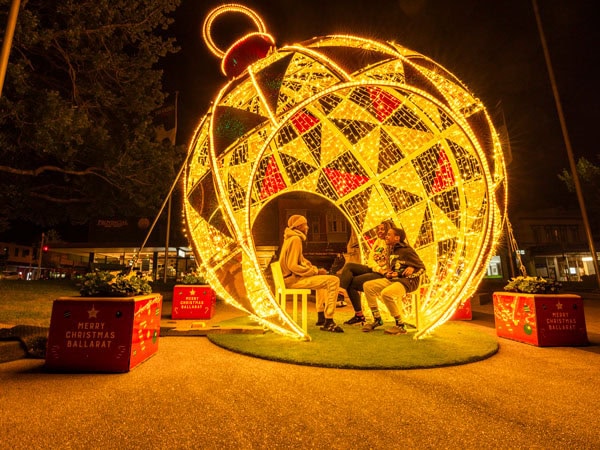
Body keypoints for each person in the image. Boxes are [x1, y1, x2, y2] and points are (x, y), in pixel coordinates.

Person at [279, 214, 343, 333]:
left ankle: (321, 316)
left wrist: (314, 270)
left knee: (322, 278)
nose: (307, 227)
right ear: (298, 226)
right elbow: (293, 266)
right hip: (292, 281)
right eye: (305, 224)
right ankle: (329, 321)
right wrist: (316, 270)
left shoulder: (289, 239)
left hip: (287, 279)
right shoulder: (295, 239)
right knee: (334, 280)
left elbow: (301, 261)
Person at [362, 226, 426, 335]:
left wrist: (412, 269)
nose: (386, 236)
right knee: (368, 286)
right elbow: (396, 266)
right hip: (393, 280)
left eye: (388, 235)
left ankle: (400, 325)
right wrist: (390, 273)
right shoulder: (390, 249)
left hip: (407, 282)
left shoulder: (407, 250)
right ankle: (377, 319)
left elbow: (422, 268)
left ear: (397, 238)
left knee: (386, 293)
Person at [338, 221, 392, 326]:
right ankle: (340, 293)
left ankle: (359, 316)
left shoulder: (390, 244)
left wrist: (381, 270)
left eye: (382, 229)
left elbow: (389, 263)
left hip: (383, 274)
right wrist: (377, 268)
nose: (379, 231)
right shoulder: (378, 242)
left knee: (352, 283)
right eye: (379, 229)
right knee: (349, 266)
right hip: (375, 269)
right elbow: (371, 260)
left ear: (388, 231)